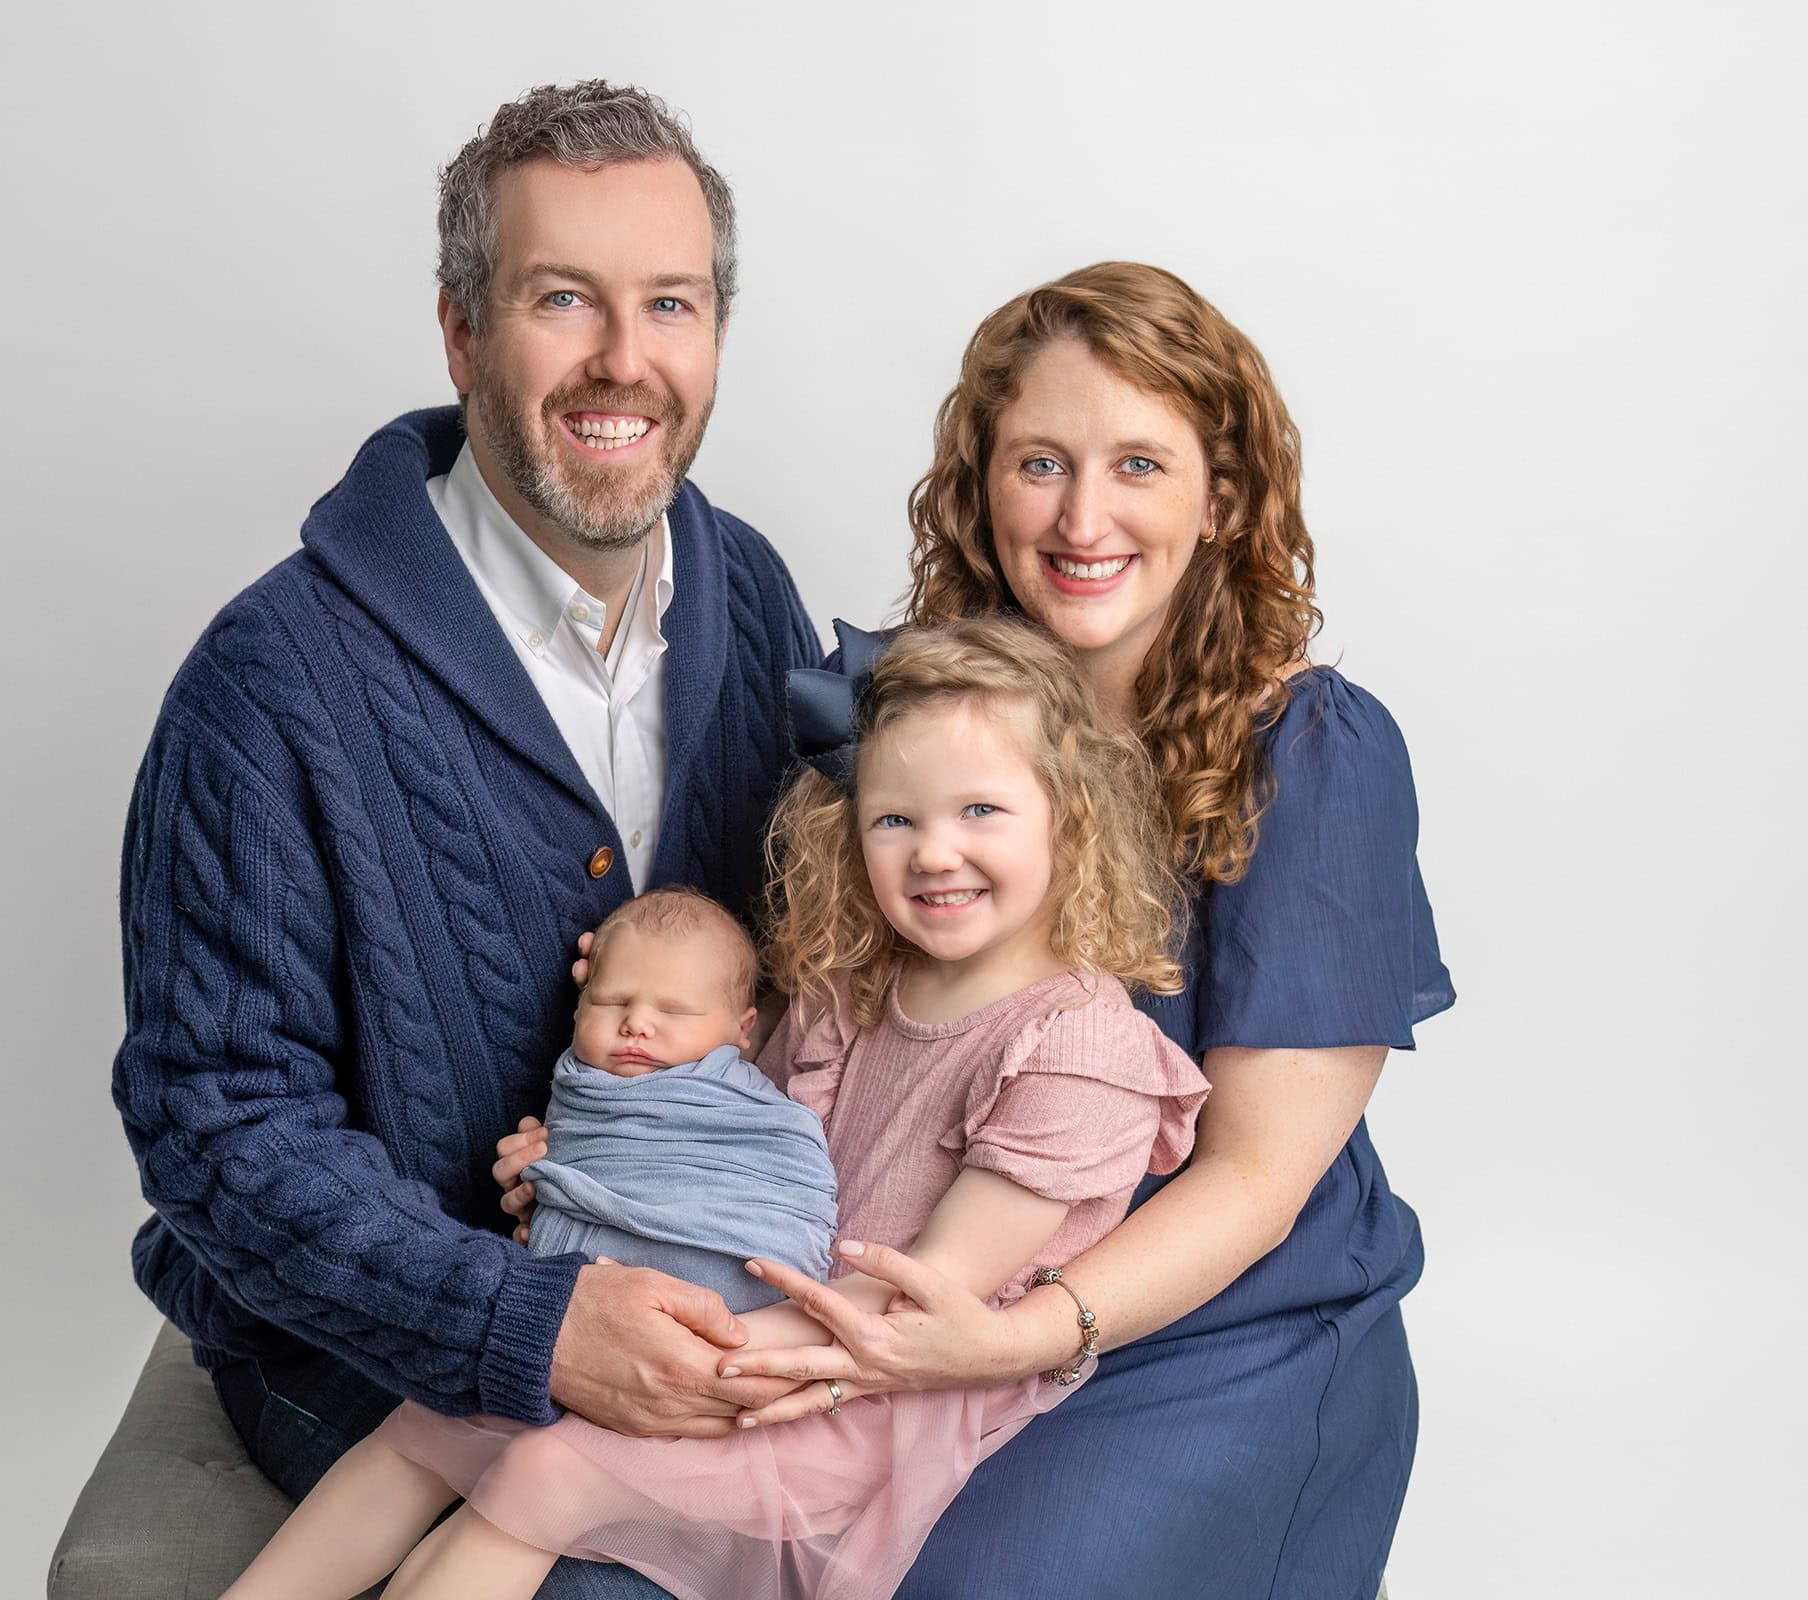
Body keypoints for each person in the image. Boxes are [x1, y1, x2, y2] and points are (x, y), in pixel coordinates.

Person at [543, 262, 1456, 1599]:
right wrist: (629, 1112)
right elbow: (825, 1037)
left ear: (1227, 497)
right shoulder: (902, 715)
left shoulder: (1312, 752)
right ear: (981, 484)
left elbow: (1260, 1181)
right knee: (594, 1555)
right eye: (1040, 462)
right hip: (911, 1291)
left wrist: (1021, 1332)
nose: (1085, 517)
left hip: (1198, 1332)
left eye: (1140, 463)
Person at [110, 78, 822, 1543]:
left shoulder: (750, 598)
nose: (626, 362)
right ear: (460, 327)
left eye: (673, 305)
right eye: (564, 299)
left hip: (705, 1293)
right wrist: (531, 1319)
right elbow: (219, 1129)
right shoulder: (268, 689)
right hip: (378, 1347)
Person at [218, 618, 1211, 1600]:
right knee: (430, 1418)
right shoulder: (849, 985)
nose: (932, 854)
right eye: (894, 819)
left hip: (862, 1383)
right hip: (744, 1317)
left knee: (542, 1470)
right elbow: (722, 1143)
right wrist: (585, 1164)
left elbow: (920, 1295)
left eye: (980, 812)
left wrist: (681, 1350)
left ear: (1068, 816)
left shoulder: (1079, 1048)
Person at [518, 886, 839, 1314]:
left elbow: (797, 1184)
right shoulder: (578, 1086)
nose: (636, 1023)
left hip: (742, 1282)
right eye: (610, 1002)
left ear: (741, 1029)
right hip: (591, 1297)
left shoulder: (759, 1110)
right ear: (579, 1006)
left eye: (673, 1011)